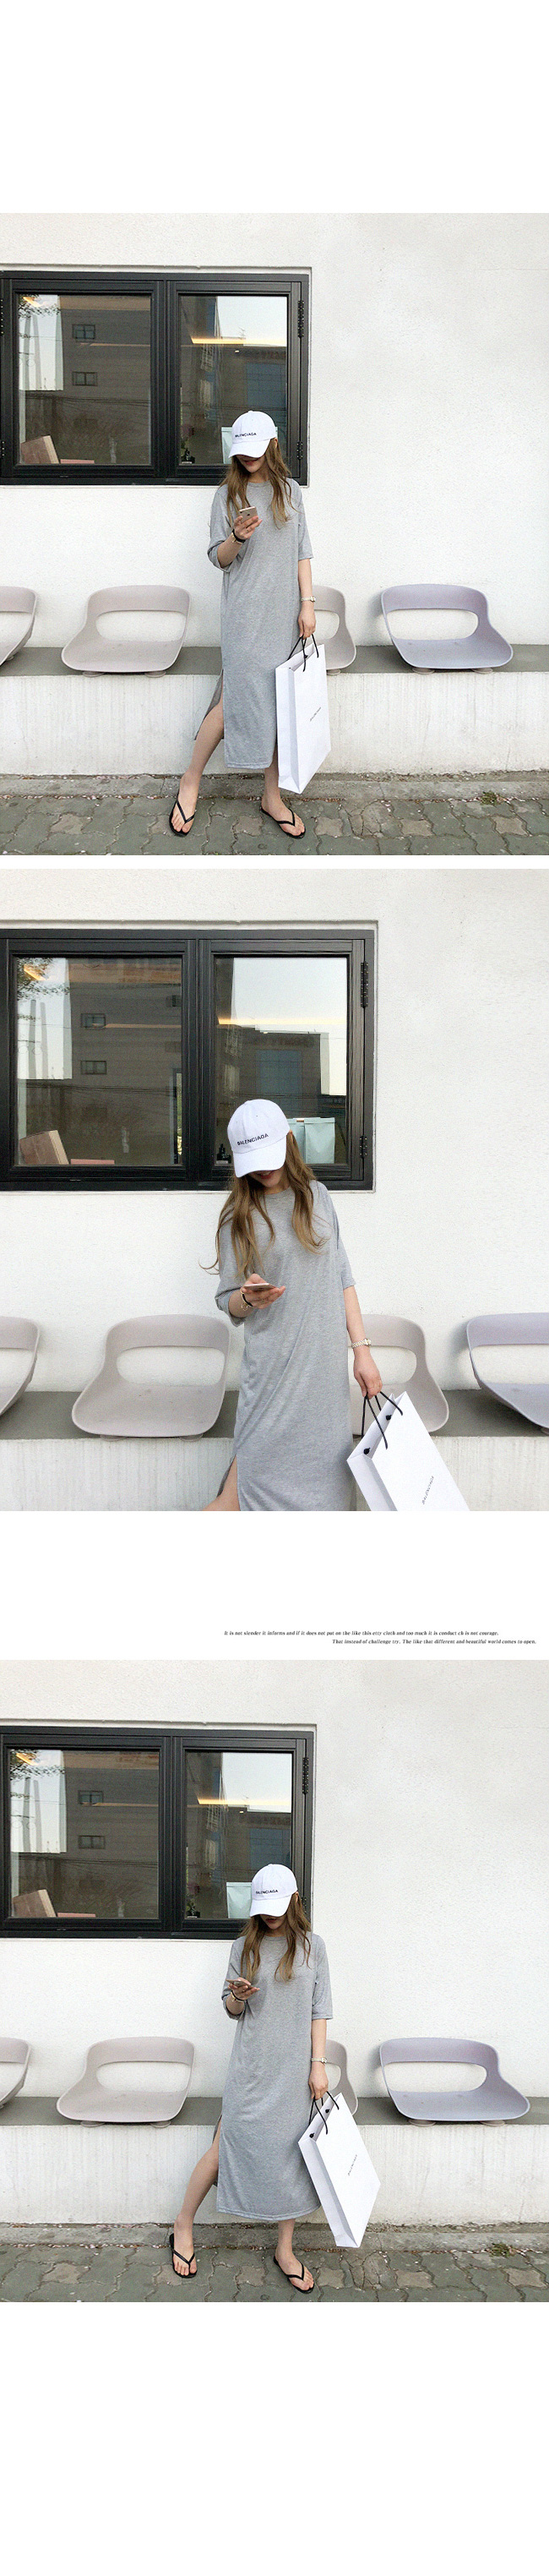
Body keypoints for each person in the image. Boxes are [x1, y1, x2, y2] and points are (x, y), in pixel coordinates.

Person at [204, 1096, 383, 1511]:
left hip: (323, 1380)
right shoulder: (238, 1216)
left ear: (287, 1140)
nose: (263, 1169)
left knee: (327, 1497)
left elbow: (343, 1279)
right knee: (244, 1497)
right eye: (252, 1161)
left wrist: (362, 1352)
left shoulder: (319, 1197)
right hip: (272, 1379)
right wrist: (247, 1298)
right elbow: (227, 1301)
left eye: (268, 1155)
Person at [170, 1866, 332, 2295]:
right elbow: (231, 2010)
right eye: (264, 1908)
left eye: (278, 1907)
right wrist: (238, 1998)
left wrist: (318, 2064)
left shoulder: (314, 1947)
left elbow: (320, 2010)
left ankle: (285, 2249)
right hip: (251, 2071)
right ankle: (183, 2223)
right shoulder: (244, 1946)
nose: (271, 1916)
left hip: (295, 2073)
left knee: (290, 2158)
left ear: (294, 1901)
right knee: (224, 2147)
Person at [169, 411, 315, 842]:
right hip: (244, 617)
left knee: (279, 703)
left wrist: (307, 605)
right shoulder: (226, 495)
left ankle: (272, 796)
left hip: (284, 615)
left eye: (256, 449)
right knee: (234, 701)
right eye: (242, 451)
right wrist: (237, 537)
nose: (248, 458)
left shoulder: (290, 491)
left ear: (272, 444)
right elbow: (219, 559)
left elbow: (303, 552)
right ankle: (190, 781)